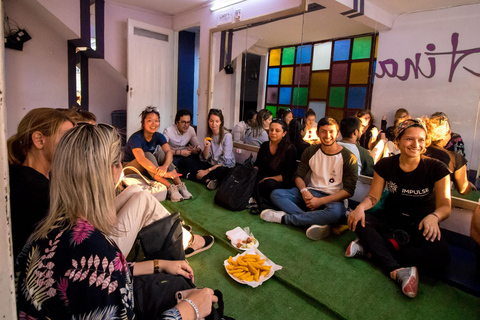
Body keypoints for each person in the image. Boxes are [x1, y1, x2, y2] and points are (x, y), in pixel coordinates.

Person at [15, 123, 217, 319]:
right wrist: (190, 310)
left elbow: (102, 269)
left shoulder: (51, 229)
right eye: (119, 162)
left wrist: (158, 265)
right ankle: (187, 240)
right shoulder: (97, 254)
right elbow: (101, 272)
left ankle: (186, 240)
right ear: (108, 172)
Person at [347, 118, 451, 298]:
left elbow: (445, 206)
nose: (416, 144)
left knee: (441, 257)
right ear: (398, 141)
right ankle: (397, 270)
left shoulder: (437, 168)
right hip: (390, 220)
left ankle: (373, 250)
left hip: (421, 225)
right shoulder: (386, 165)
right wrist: (360, 208)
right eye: (409, 139)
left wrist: (435, 216)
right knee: (358, 220)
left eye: (420, 140)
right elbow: (374, 196)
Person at [261, 117, 358, 241]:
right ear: (317, 133)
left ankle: (286, 219)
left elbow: (349, 191)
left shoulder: (349, 157)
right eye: (323, 131)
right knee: (276, 194)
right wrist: (304, 191)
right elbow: (298, 176)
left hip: (333, 200)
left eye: (331, 132)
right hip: (310, 193)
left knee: (337, 212)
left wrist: (321, 201)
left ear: (338, 133)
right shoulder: (310, 151)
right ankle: (314, 221)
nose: (327, 135)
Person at [8, 108, 74, 259]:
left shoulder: (21, 174)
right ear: (39, 140)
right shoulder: (36, 188)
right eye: (66, 138)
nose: (72, 146)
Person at [123, 106, 192, 202]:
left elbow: (169, 151)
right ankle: (170, 187)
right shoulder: (136, 138)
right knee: (148, 155)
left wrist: (165, 166)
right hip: (129, 167)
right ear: (143, 123)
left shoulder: (159, 136)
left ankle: (179, 185)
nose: (154, 124)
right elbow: (141, 159)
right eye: (149, 121)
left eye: (156, 120)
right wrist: (165, 174)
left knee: (162, 155)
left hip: (147, 166)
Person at [183, 109, 235, 190]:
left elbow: (225, 161)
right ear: (208, 121)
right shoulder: (209, 134)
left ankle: (196, 176)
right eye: (211, 121)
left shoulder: (227, 136)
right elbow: (206, 158)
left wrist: (207, 171)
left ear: (221, 122)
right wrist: (206, 147)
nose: (214, 124)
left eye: (217, 121)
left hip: (221, 166)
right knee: (187, 161)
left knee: (221, 171)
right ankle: (208, 180)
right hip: (211, 163)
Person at [425, 115, 473, 195]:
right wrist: (470, 185)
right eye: (449, 132)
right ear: (443, 137)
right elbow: (463, 189)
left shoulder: (418, 150)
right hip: (437, 203)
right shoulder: (455, 159)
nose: (451, 134)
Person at [253, 119, 297, 207]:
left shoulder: (290, 149)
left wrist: (267, 179)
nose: (273, 133)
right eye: (271, 130)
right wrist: (252, 172)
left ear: (284, 133)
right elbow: (257, 164)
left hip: (278, 182)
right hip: (262, 178)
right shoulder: (265, 145)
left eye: (277, 131)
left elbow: (286, 176)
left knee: (268, 184)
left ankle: (258, 197)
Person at [163, 109, 201, 173]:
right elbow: (163, 150)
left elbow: (197, 145)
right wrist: (180, 152)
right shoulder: (168, 131)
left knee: (195, 159)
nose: (186, 125)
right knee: (170, 161)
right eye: (183, 122)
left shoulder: (191, 130)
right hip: (173, 155)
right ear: (177, 122)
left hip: (186, 155)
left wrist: (196, 150)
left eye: (188, 122)